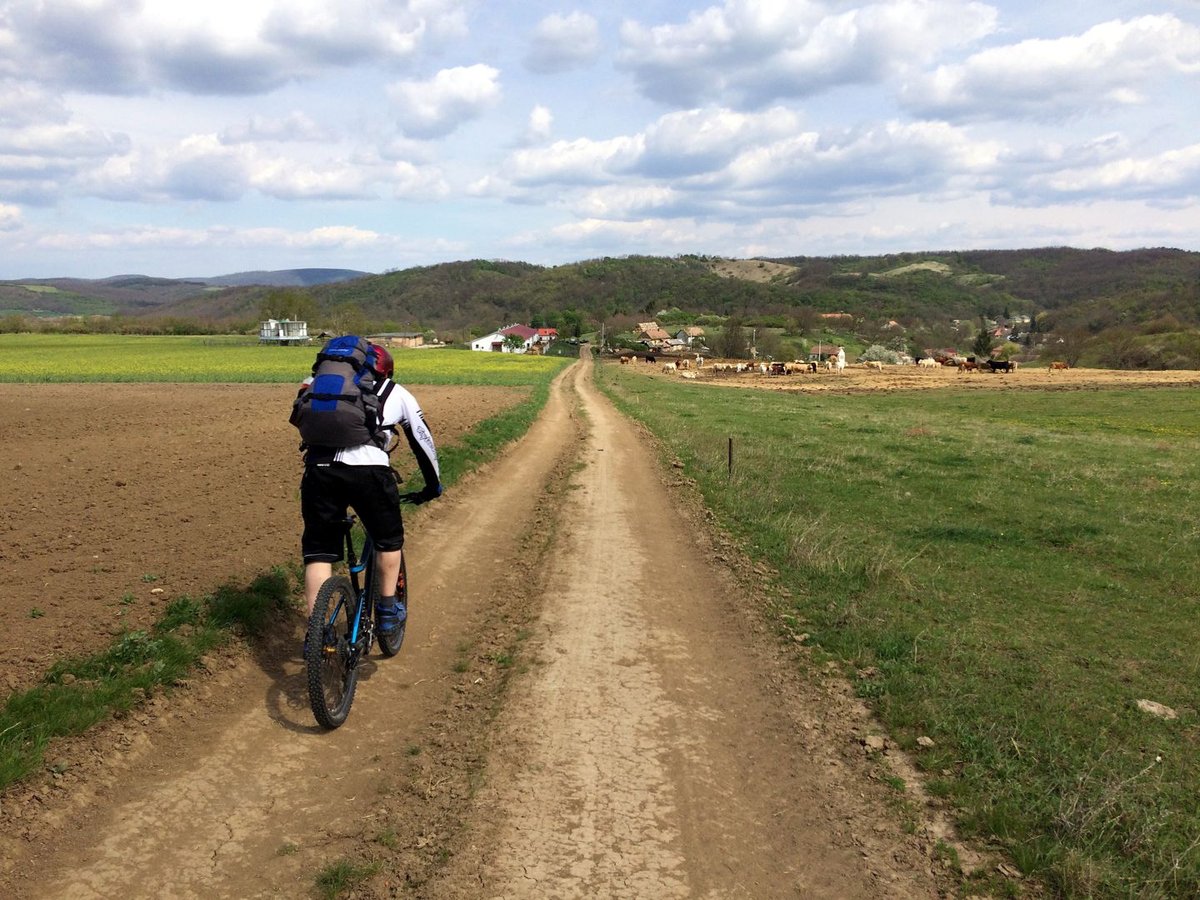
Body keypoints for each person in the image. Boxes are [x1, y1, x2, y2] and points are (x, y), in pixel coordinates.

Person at [297, 341, 442, 635]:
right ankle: (387, 612)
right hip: (370, 472)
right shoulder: (395, 392)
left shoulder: (318, 383)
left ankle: (316, 630)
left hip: (320, 471)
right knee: (389, 541)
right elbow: (422, 439)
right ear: (386, 369)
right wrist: (432, 485)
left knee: (319, 553)